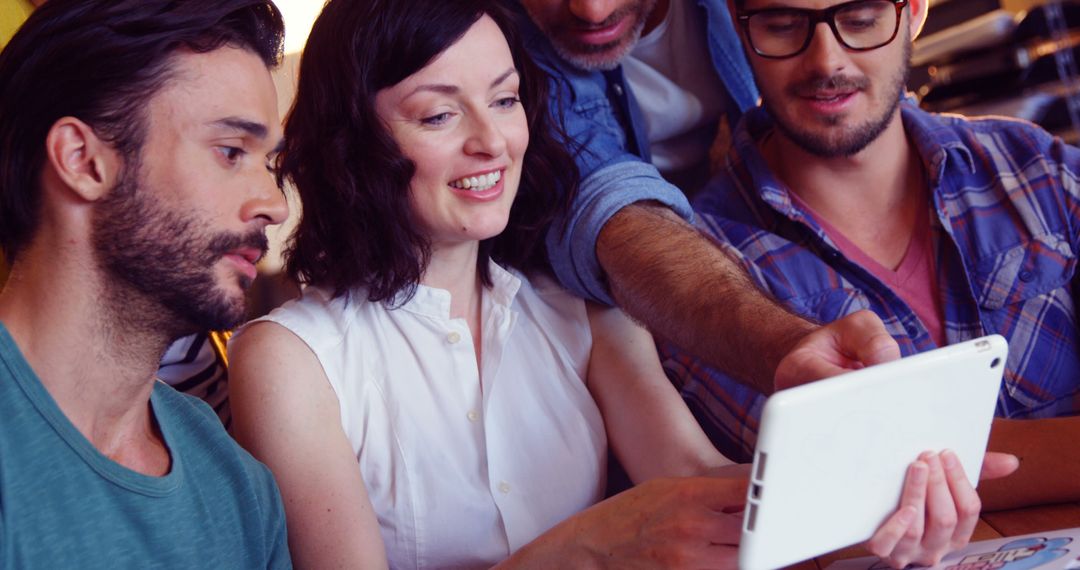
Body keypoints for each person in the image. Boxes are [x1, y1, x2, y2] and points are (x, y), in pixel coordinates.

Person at [227, 1, 1010, 568]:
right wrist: (590, 547)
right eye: (438, 116)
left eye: (505, 100)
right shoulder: (291, 360)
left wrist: (892, 480)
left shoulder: (581, 313)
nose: (492, 140)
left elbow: (702, 485)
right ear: (351, 143)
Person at [668, 0, 1080, 510]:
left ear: (914, 12)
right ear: (738, 26)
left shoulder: (1035, 166)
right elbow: (856, 473)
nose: (826, 61)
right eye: (782, 26)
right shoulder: (699, 267)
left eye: (860, 21)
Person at [0, 0, 291, 566]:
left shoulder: (241, 486)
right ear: (83, 161)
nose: (274, 205)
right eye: (231, 152)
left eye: (269, 164)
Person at [513, 0, 901, 396]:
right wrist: (783, 347)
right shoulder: (498, 36)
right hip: (651, 299)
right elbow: (600, 202)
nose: (592, 11)